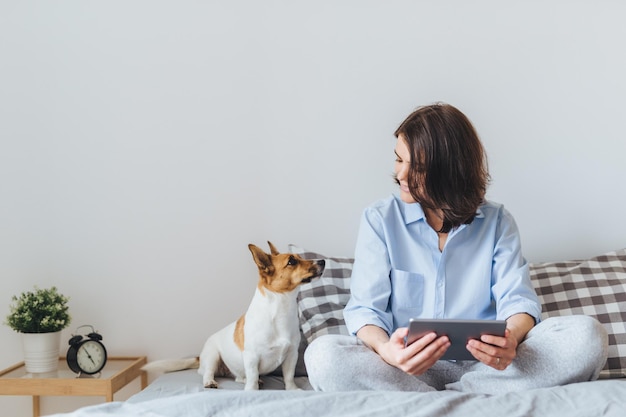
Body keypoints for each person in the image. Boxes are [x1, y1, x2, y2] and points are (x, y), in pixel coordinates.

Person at [304, 103, 608, 394]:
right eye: (399, 159)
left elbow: (518, 302)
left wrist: (510, 339)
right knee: (323, 356)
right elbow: (365, 310)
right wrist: (387, 351)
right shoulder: (379, 220)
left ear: (452, 171)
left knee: (587, 337)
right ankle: (467, 400)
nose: (401, 175)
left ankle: (441, 399)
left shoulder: (497, 222)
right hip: (403, 371)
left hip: (488, 369)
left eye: (418, 167)